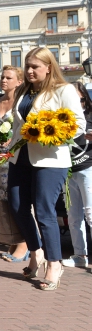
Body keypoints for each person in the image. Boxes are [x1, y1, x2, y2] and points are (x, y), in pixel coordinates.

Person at [4, 48, 85, 291]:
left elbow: (78, 124)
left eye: (35, 66)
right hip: (21, 158)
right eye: (27, 66)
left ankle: (54, 262)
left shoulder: (64, 90)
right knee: (17, 206)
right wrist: (8, 147)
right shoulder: (23, 92)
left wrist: (54, 134)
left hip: (50, 160)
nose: (29, 71)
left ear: (49, 67)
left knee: (43, 210)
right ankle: (36, 251)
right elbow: (19, 125)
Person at [0, 66, 27, 261]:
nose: (4, 81)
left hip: (18, 157)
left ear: (19, 81)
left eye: (8, 78)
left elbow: (25, 131)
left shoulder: (22, 103)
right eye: (2, 77)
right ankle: (12, 238)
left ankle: (25, 243)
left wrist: (10, 147)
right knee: (3, 199)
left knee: (18, 198)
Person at [64, 81, 92, 269]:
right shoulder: (63, 117)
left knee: (91, 213)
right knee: (73, 216)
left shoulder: (90, 115)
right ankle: (79, 255)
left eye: (77, 96)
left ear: (83, 97)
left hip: (88, 168)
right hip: (68, 171)